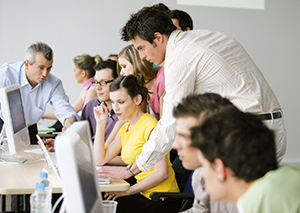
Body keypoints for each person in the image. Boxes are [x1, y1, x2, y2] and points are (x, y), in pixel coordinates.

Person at [97, 6, 286, 179]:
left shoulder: (179, 58)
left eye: (141, 48)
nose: (142, 57)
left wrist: (130, 169)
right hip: (268, 125)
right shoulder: (203, 36)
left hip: (247, 135)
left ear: (158, 38)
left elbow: (170, 124)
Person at [93, 75, 180, 213]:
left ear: (137, 99)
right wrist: (100, 123)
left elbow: (162, 173)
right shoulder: (126, 128)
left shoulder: (151, 126)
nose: (115, 107)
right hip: (144, 193)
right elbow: (100, 159)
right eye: (113, 102)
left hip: (161, 199)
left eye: (121, 102)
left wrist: (128, 191)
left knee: (103, 204)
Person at [191, 106, 300, 213]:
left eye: (204, 166)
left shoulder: (259, 202)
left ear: (220, 168)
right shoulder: (288, 176)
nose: (203, 174)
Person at [0, 42, 78, 144]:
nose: (45, 74)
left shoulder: (53, 84)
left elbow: (64, 110)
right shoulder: (6, 74)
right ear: (27, 64)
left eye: (49, 68)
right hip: (3, 124)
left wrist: (68, 125)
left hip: (29, 129)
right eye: (41, 67)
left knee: (33, 157)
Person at [172, 93, 237, 213]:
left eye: (184, 136)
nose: (174, 145)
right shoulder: (200, 172)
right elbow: (201, 209)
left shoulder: (242, 192)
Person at [42, 53, 102, 128]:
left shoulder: (92, 91)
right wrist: (42, 115)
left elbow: (86, 119)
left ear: (83, 73)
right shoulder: (86, 90)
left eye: (75, 70)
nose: (73, 73)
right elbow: (68, 111)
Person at [117, 44, 165, 119]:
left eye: (124, 66)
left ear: (136, 63)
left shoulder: (161, 79)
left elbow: (165, 123)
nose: (121, 73)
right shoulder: (144, 87)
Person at [81, 59, 121, 140]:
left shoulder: (126, 109)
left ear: (117, 81)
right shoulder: (91, 105)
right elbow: (81, 136)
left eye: (103, 82)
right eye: (96, 82)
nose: (98, 88)